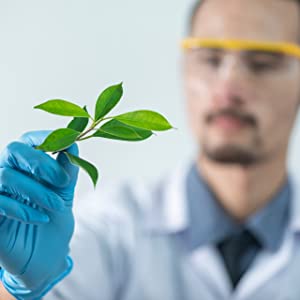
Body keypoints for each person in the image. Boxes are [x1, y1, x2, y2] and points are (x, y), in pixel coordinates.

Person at [1, 0, 300, 299]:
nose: (228, 87)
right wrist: (19, 285)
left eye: (263, 63)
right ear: (184, 70)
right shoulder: (114, 226)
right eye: (210, 59)